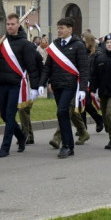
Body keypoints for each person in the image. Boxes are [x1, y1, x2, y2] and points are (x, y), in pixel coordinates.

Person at [0, 13, 39, 157]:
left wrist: (35, 87)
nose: (10, 26)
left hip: (16, 85)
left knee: (9, 114)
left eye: (13, 24)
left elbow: (31, 66)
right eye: (8, 24)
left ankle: (5, 148)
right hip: (2, 83)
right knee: (4, 115)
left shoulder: (25, 44)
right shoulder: (1, 43)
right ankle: (21, 136)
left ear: (18, 25)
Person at [38, 17, 90, 159]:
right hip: (57, 84)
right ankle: (69, 146)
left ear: (70, 29)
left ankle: (66, 146)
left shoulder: (78, 45)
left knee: (62, 112)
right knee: (61, 113)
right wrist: (42, 83)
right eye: (58, 28)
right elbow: (48, 66)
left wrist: (82, 89)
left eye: (62, 28)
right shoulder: (55, 45)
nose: (59, 30)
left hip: (70, 85)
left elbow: (84, 68)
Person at [18, 39, 44, 145]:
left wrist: (39, 85)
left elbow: (39, 67)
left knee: (24, 109)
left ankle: (26, 135)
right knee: (24, 110)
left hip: (31, 84)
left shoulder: (31, 50)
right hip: (25, 84)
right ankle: (28, 135)